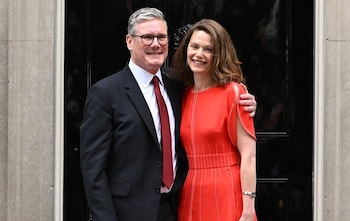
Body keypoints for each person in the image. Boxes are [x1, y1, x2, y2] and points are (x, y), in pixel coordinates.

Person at [80, 8, 256, 221]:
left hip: (176, 208)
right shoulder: (105, 93)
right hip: (129, 213)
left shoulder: (178, 85)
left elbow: (213, 101)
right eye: (147, 37)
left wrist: (247, 103)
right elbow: (93, 170)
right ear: (129, 41)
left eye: (161, 37)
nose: (156, 44)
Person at [171, 19, 258, 221]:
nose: (199, 54)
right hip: (190, 188)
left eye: (208, 49)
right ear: (186, 50)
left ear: (219, 55)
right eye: (194, 46)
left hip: (226, 189)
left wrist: (248, 209)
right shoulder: (181, 94)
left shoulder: (234, 92)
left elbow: (249, 156)